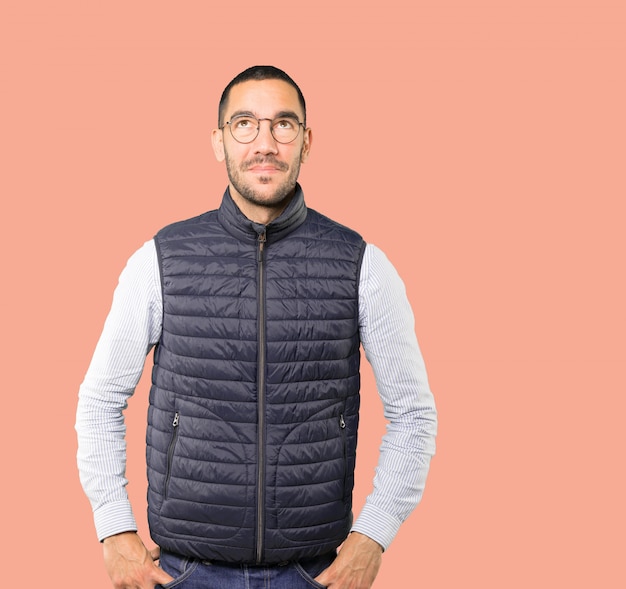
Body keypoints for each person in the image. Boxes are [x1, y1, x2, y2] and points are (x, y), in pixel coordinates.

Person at [76, 65, 437, 589]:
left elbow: (413, 412)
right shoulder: (160, 259)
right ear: (219, 141)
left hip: (317, 573)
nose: (264, 143)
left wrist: (374, 535)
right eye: (244, 124)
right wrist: (113, 528)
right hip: (182, 571)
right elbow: (101, 398)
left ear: (306, 141)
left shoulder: (361, 264)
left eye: (283, 125)